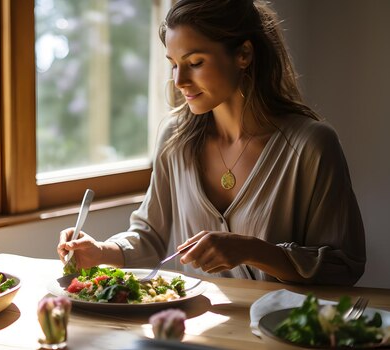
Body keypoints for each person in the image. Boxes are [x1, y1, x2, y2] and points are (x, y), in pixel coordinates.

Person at [57, 0, 365, 285]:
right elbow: (150, 236)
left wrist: (253, 251)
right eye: (174, 64)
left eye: (195, 62)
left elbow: (344, 265)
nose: (179, 81)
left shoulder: (311, 146)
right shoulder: (174, 138)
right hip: (191, 331)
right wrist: (100, 251)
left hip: (276, 336)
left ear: (243, 54)